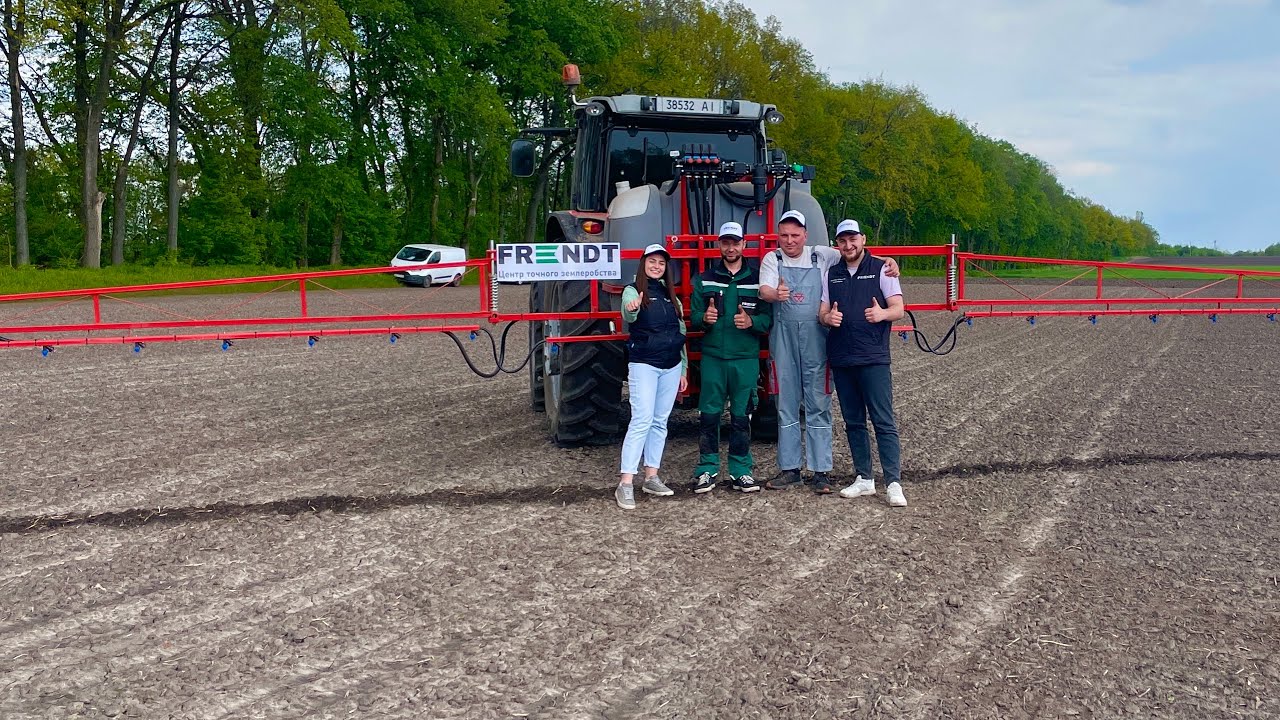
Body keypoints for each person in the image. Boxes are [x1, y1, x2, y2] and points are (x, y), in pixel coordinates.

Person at [759, 210, 899, 494]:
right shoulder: (771, 259)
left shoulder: (822, 255)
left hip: (817, 341)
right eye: (784, 235)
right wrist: (776, 295)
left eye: (795, 235)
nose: (790, 241)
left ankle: (821, 471)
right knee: (785, 403)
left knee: (818, 403)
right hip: (783, 341)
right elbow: (763, 290)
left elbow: (858, 256)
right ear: (778, 236)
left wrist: (888, 262)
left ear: (805, 235)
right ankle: (790, 469)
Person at [819, 219, 908, 507]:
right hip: (843, 357)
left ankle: (893, 482)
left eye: (853, 239)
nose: (848, 245)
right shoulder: (831, 274)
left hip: (873, 358)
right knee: (854, 421)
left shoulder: (882, 268)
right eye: (842, 241)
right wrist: (827, 319)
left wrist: (882, 314)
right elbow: (822, 312)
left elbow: (899, 309)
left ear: (863, 239)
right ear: (837, 244)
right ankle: (864, 479)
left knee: (883, 421)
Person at [688, 221, 774, 494]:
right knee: (709, 415)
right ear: (718, 245)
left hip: (745, 359)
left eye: (735, 242)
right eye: (725, 242)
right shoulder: (703, 279)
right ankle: (707, 468)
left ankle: (741, 470)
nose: (730, 247)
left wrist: (752, 322)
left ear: (743, 245)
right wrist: (705, 318)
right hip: (713, 357)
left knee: (741, 416)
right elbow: (694, 317)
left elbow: (768, 318)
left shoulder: (759, 280)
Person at [616, 243, 689, 510]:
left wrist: (683, 368)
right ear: (643, 264)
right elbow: (628, 312)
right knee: (642, 419)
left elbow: (680, 333)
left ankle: (651, 476)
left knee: (660, 421)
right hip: (644, 364)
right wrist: (633, 307)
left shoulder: (672, 297)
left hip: (670, 367)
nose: (656, 266)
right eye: (652, 262)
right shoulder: (632, 291)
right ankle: (625, 483)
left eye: (661, 263)